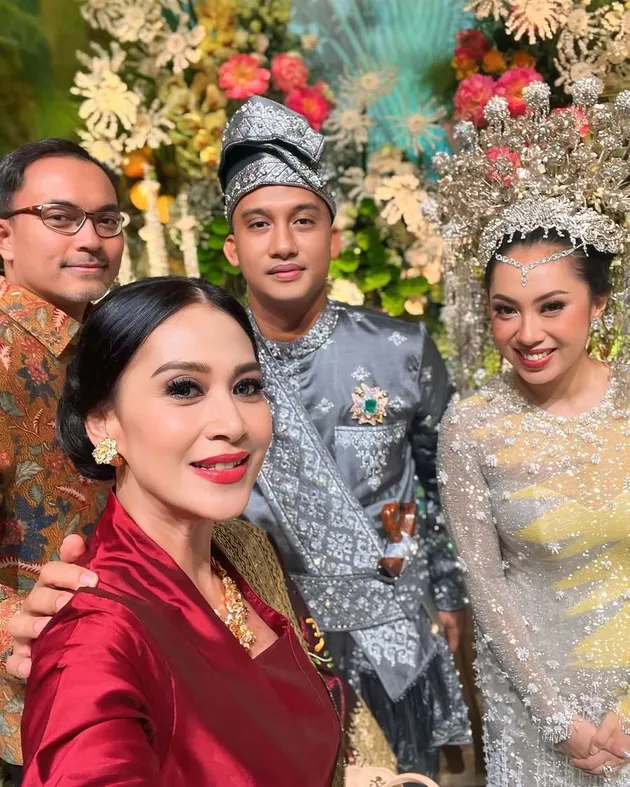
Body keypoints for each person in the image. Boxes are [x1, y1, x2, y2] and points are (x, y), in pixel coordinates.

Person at [217, 96, 470, 776]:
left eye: (303, 220)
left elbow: (443, 484)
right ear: (233, 246)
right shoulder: (205, 361)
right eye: (259, 223)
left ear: (334, 237)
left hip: (392, 645)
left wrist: (445, 593)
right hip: (261, 646)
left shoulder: (399, 349)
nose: (283, 243)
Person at [21, 276, 342, 786]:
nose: (232, 422)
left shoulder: (244, 552)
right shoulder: (94, 635)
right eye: (184, 389)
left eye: (247, 387)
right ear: (102, 421)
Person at [434, 78, 630, 785]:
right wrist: (558, 720)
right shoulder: (471, 426)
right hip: (535, 714)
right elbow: (485, 587)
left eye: (551, 306)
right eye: (505, 310)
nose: (527, 332)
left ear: (598, 304)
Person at [0, 138, 124, 784]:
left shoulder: (113, 347)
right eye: (60, 217)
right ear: (4, 237)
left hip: (116, 691)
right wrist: (13, 630)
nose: (90, 238)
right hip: (23, 716)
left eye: (106, 219)